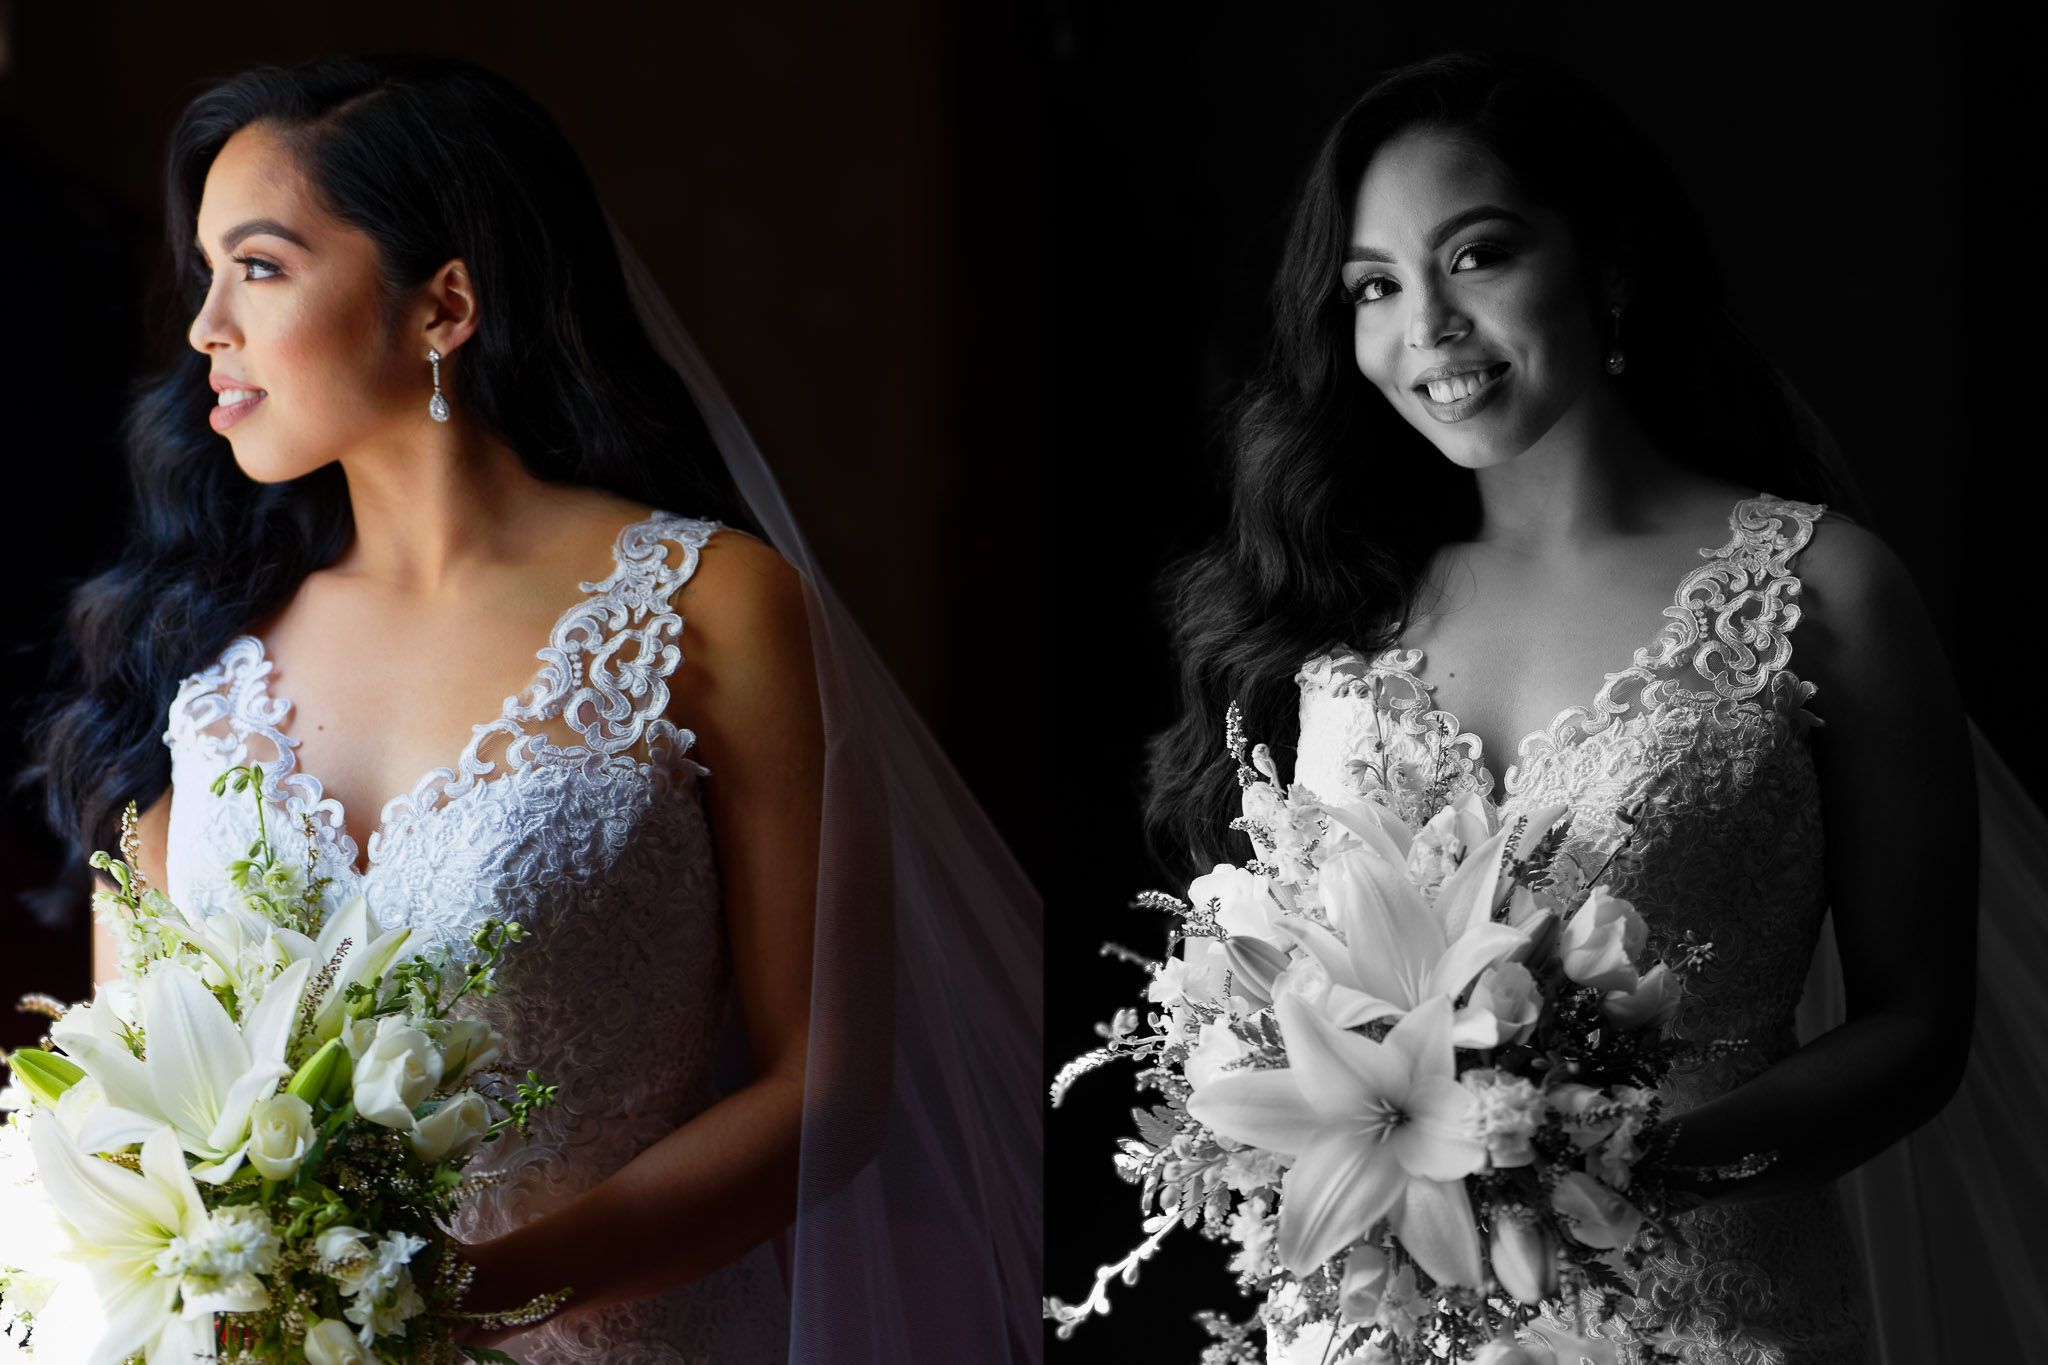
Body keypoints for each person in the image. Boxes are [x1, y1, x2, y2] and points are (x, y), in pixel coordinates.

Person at [27, 55, 1041, 1363]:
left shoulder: (711, 605)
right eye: (206, 272)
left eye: (261, 267)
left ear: (443, 304)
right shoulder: (189, 651)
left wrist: (454, 1301)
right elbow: (124, 1102)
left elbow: (825, 1090)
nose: (204, 325)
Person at [1144, 51, 2040, 1363]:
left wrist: (1629, 1164)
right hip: (1374, 1324)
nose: (1426, 329)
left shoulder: (1824, 589)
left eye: (1479, 255)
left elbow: (1917, 1027)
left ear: (1609, 263)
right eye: (1376, 287)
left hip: (1708, 1312)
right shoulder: (1341, 601)